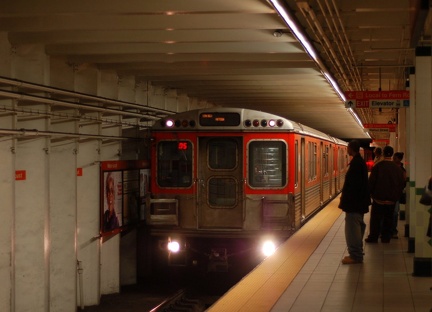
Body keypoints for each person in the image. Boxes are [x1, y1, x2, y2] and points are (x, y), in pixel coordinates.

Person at [338, 140, 370, 264]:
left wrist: (347, 201)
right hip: (358, 203)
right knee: (357, 227)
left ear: (351, 149)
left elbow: (354, 186)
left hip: (354, 204)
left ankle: (355, 255)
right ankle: (357, 253)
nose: (347, 149)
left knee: (352, 229)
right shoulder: (359, 162)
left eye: (348, 147)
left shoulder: (356, 164)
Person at [366, 146, 405, 243]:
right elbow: (402, 184)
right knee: (389, 219)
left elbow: (371, 182)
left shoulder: (378, 166)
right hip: (391, 200)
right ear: (392, 154)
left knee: (376, 219)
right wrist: (396, 196)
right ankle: (386, 237)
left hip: (378, 199)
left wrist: (371, 194)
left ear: (383, 153)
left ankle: (373, 237)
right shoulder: (397, 168)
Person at [392, 152, 407, 238]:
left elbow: (404, 182)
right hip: (395, 194)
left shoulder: (402, 170)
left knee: (394, 213)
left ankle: (393, 231)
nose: (393, 159)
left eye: (395, 158)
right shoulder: (401, 170)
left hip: (395, 194)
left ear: (399, 159)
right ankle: (392, 230)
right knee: (393, 213)